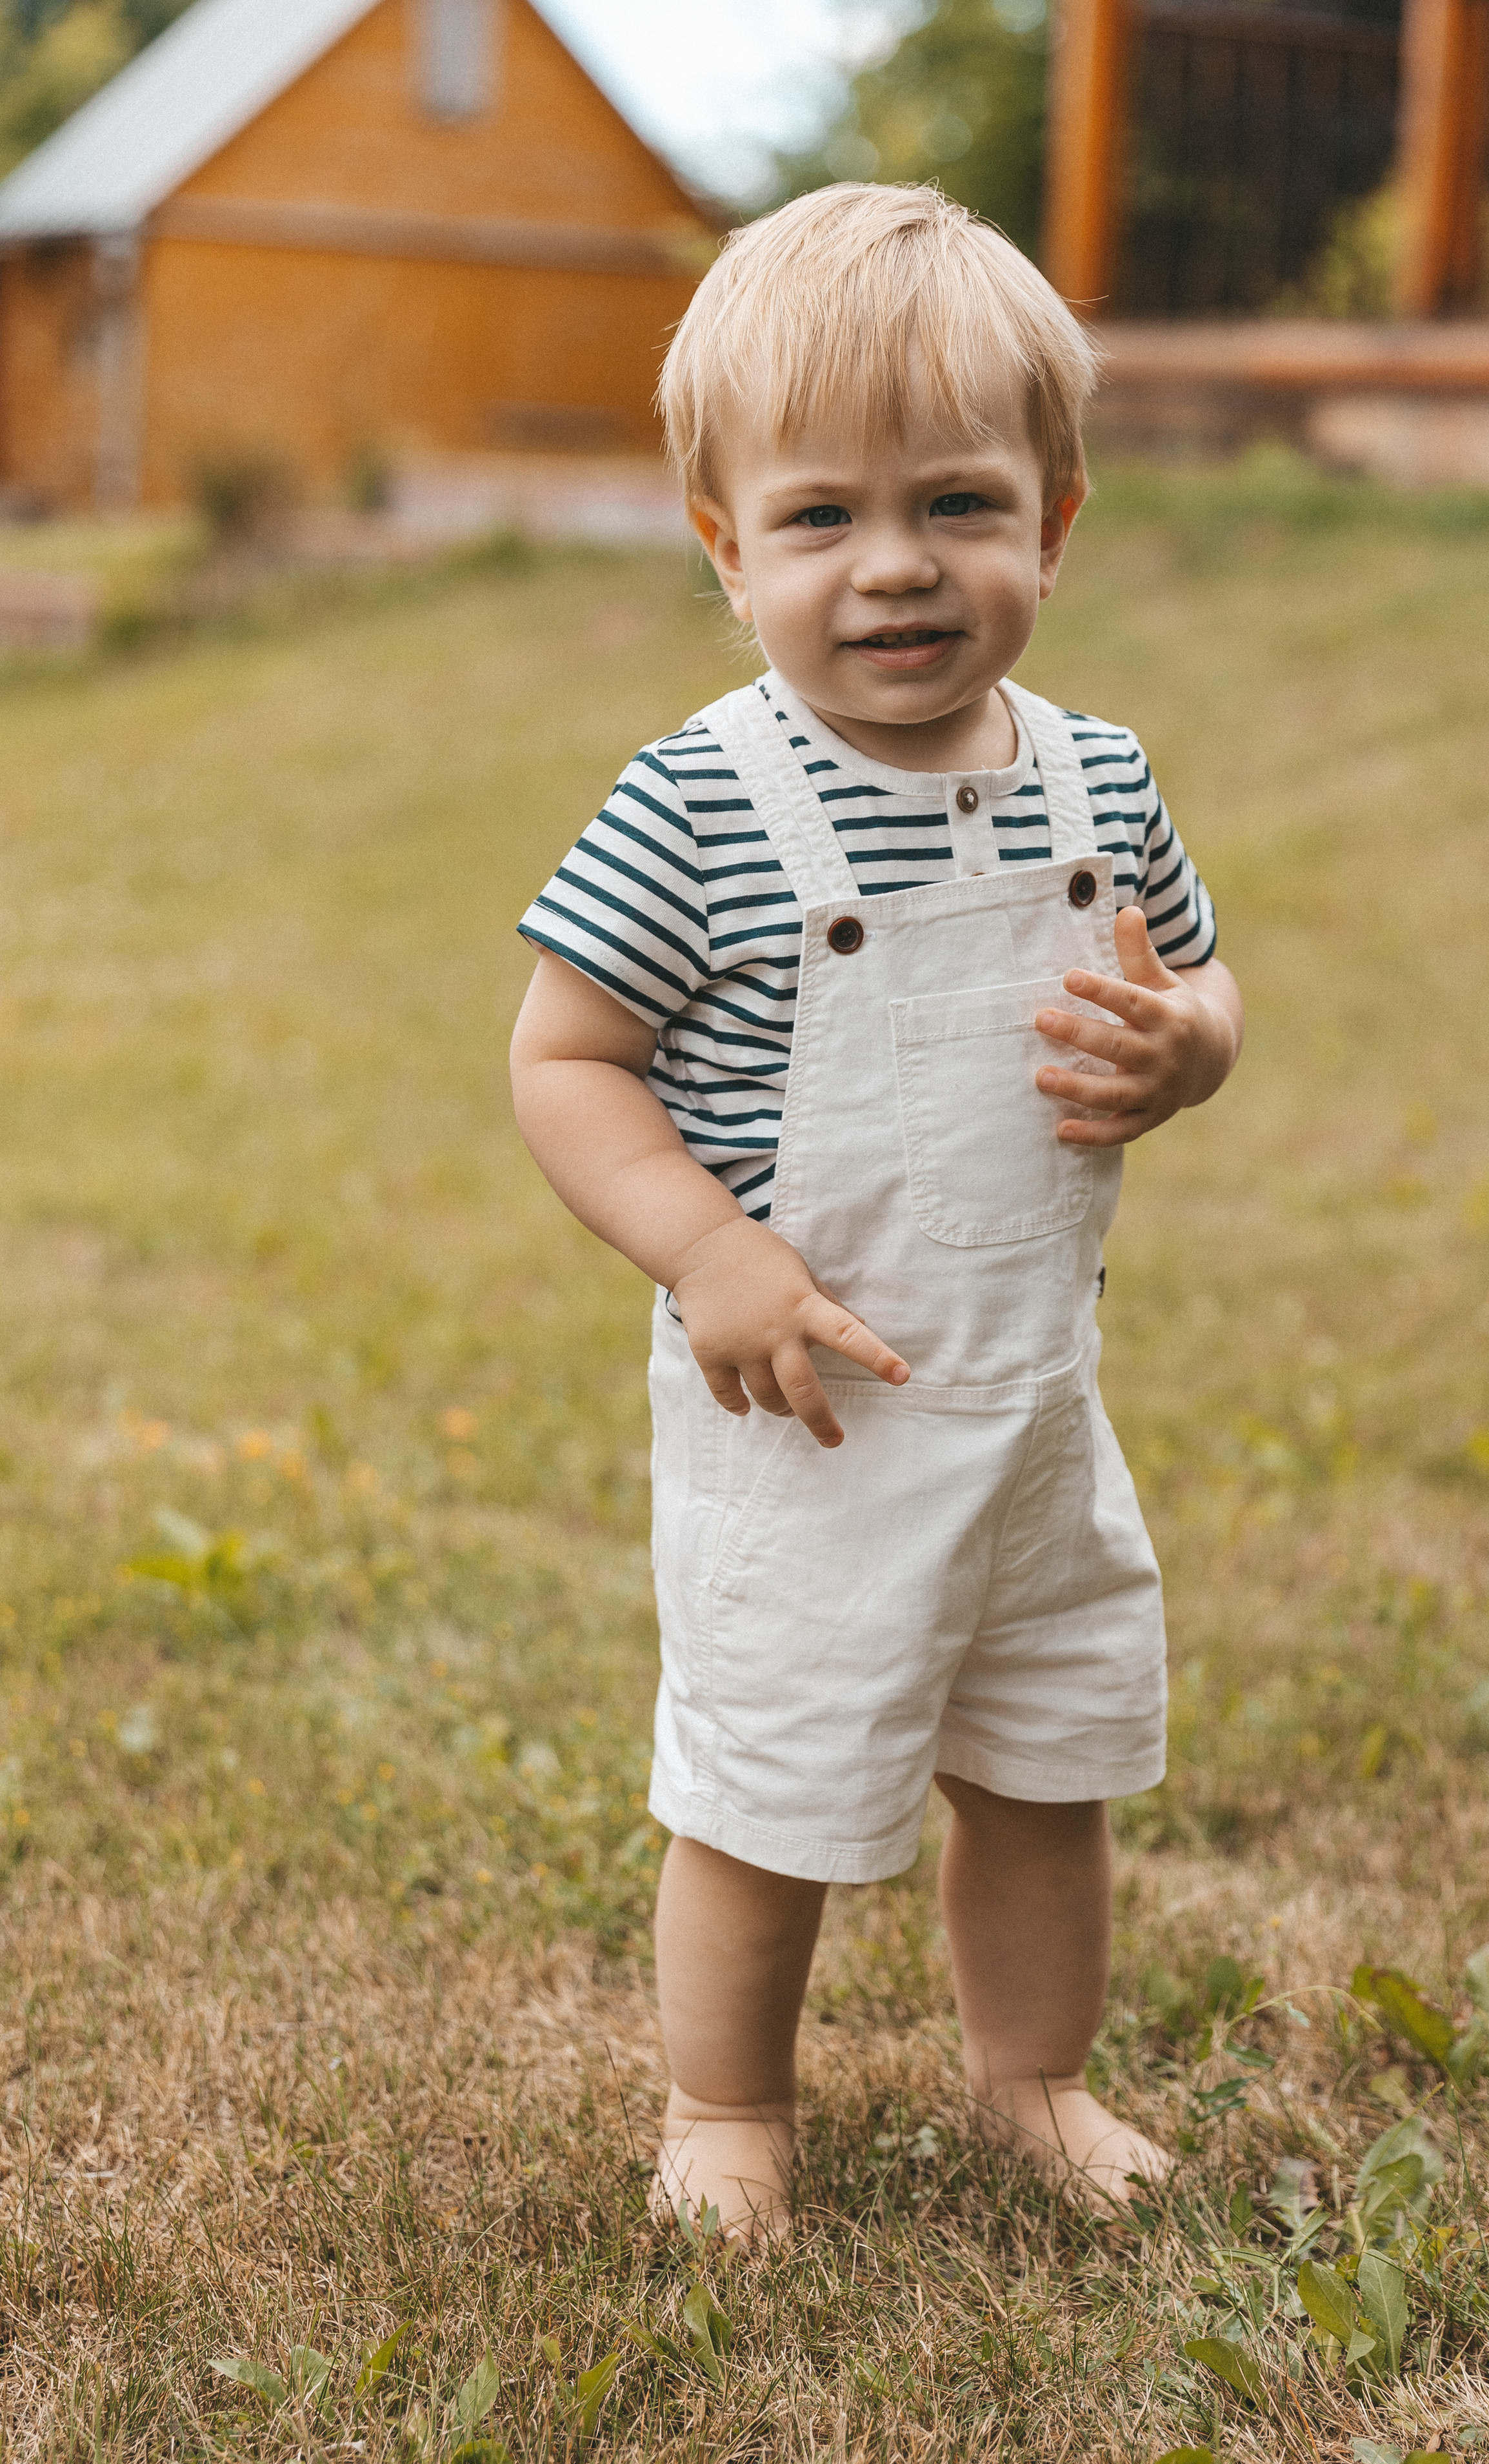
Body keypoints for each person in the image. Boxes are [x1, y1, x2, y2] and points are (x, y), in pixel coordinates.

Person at [509, 184, 1243, 2246]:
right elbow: (563, 1059)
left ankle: (1037, 2075)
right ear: (728, 551)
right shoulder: (702, 801)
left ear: (1057, 521)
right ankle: (724, 2104)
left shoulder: (1102, 776)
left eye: (959, 505)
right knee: (771, 1789)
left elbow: (1197, 979)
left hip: (1030, 1406)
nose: (898, 565)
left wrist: (1191, 1048)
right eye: (823, 518)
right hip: (805, 1425)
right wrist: (710, 1250)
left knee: (1046, 1759)